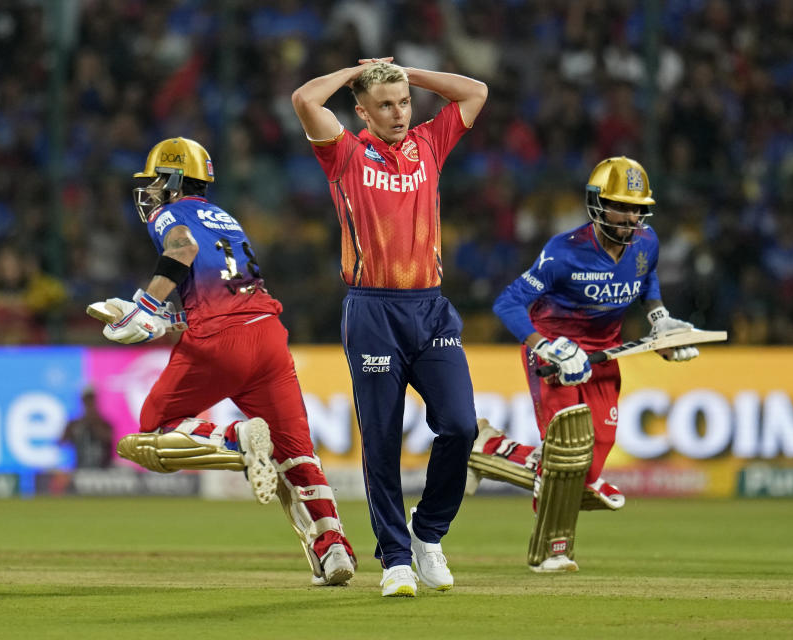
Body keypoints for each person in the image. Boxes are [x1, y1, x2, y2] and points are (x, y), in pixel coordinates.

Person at [102, 137, 356, 587]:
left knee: (155, 425)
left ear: (176, 179)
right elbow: (222, 291)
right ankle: (333, 548)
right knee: (297, 452)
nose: (151, 192)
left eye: (158, 181)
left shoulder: (171, 214)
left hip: (220, 342)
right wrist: (166, 321)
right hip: (267, 334)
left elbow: (181, 252)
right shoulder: (225, 218)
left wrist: (145, 306)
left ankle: (237, 438)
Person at [291, 59, 487, 597]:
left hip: (430, 308)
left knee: (461, 426)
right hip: (372, 310)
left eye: (403, 103)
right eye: (385, 105)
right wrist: (356, 72)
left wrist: (405, 74)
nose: (399, 113)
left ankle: (428, 533)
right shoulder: (345, 153)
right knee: (381, 440)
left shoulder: (429, 143)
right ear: (361, 111)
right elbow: (306, 99)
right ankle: (396, 559)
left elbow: (475, 91)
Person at [470, 156, 701, 571]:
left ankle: (489, 447)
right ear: (597, 203)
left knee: (592, 462)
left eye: (636, 208)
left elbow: (647, 282)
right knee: (567, 456)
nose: (631, 217)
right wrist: (545, 345)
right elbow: (507, 302)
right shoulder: (563, 253)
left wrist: (660, 322)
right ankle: (552, 551)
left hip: (605, 353)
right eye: (620, 206)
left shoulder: (647, 243)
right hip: (555, 356)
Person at [58, 386, 114, 469]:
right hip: (81, 469)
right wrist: (73, 430)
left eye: (91, 400)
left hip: (103, 471)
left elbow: (110, 440)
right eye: (87, 400)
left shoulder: (104, 423)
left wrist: (94, 423)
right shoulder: (75, 423)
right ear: (82, 402)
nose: (89, 403)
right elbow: (61, 442)